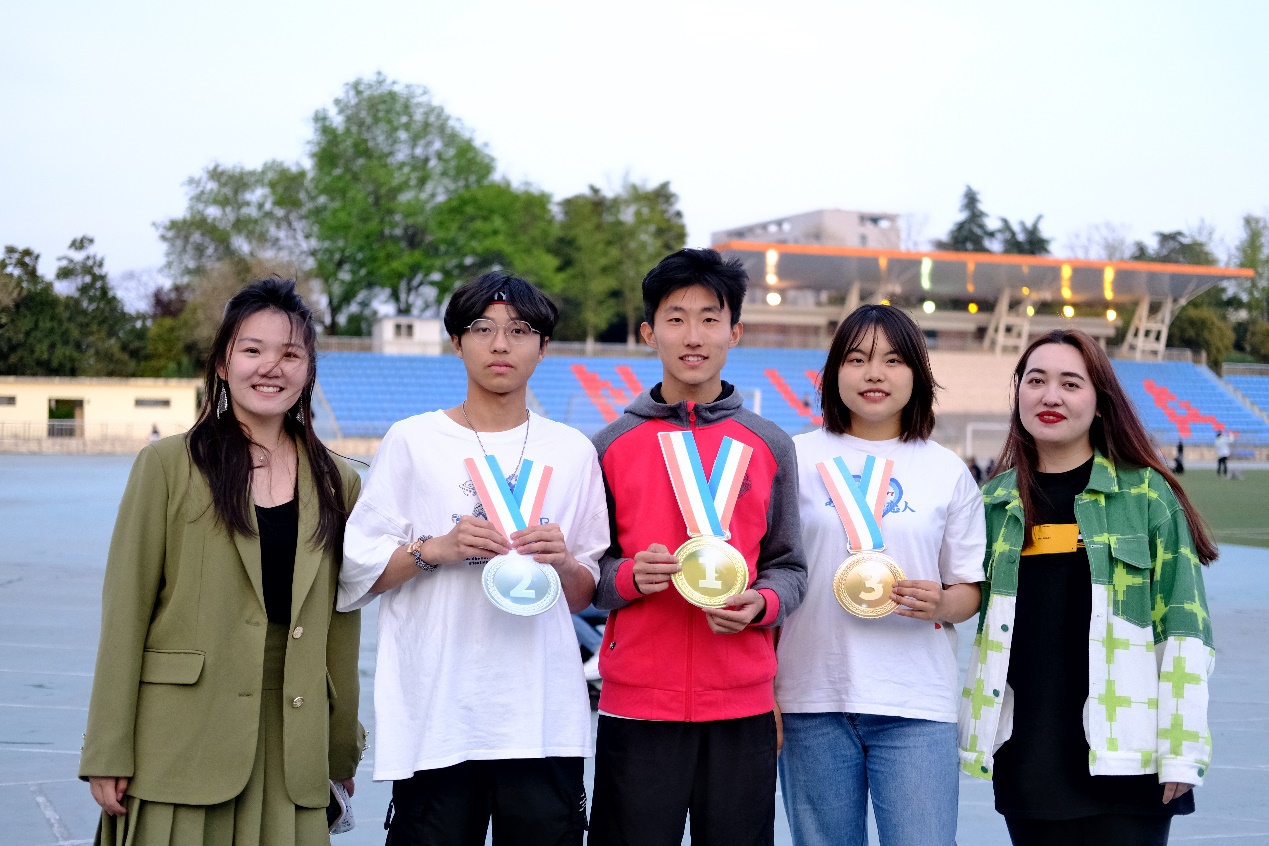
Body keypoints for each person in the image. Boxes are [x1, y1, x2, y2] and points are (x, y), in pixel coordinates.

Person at [80, 277, 364, 845]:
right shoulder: (166, 466)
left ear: (308, 370)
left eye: (291, 354)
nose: (271, 367)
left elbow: (341, 626)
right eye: (252, 349)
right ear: (222, 363)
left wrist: (339, 747)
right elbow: (126, 610)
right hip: (178, 741)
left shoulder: (340, 481)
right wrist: (107, 747)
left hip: (292, 744)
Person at [339, 272, 609, 846]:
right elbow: (356, 573)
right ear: (456, 342)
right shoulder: (412, 441)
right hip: (438, 718)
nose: (501, 343)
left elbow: (585, 593)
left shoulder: (573, 451)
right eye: (482, 328)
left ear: (543, 346)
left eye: (520, 330)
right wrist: (434, 549)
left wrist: (562, 563)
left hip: (541, 722)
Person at [959, 329, 1216, 846]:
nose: (1050, 396)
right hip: (1028, 756)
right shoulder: (992, 503)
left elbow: (1184, 626)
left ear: (1100, 403)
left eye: (1070, 383)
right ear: (1018, 393)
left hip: (1129, 757)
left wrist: (1182, 748)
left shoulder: (1147, 495)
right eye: (1036, 381)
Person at [586, 248, 808, 846]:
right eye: (676, 318)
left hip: (741, 704)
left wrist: (762, 603)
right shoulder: (609, 445)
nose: (693, 336)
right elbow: (588, 576)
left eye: (710, 318)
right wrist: (629, 577)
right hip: (638, 703)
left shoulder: (770, 444)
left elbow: (789, 566)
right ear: (648, 332)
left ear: (735, 331)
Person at [775, 304, 985, 846]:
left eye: (893, 360)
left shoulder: (945, 470)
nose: (874, 373)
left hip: (915, 703)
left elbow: (969, 589)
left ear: (917, 375)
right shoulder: (792, 458)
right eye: (857, 359)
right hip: (811, 698)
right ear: (833, 373)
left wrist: (941, 603)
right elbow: (772, 576)